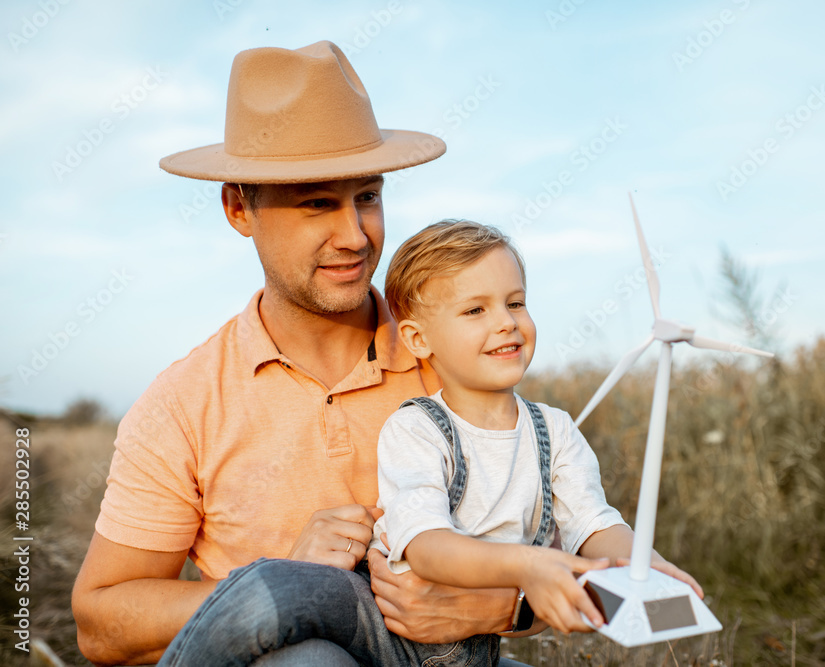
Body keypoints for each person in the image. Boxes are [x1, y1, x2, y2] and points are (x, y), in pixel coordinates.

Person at [71, 41, 534, 667]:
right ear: (240, 208)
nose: (354, 235)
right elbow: (101, 623)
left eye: (366, 196)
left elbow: (575, 558)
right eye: (318, 203)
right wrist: (284, 584)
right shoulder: (183, 403)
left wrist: (503, 608)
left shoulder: (451, 353)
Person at [154, 221, 704, 666]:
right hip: (380, 627)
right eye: (476, 310)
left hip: (469, 652)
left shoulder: (555, 430)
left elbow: (594, 524)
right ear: (418, 338)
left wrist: (647, 565)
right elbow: (427, 544)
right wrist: (529, 568)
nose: (507, 324)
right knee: (271, 585)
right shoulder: (417, 427)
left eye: (516, 303)